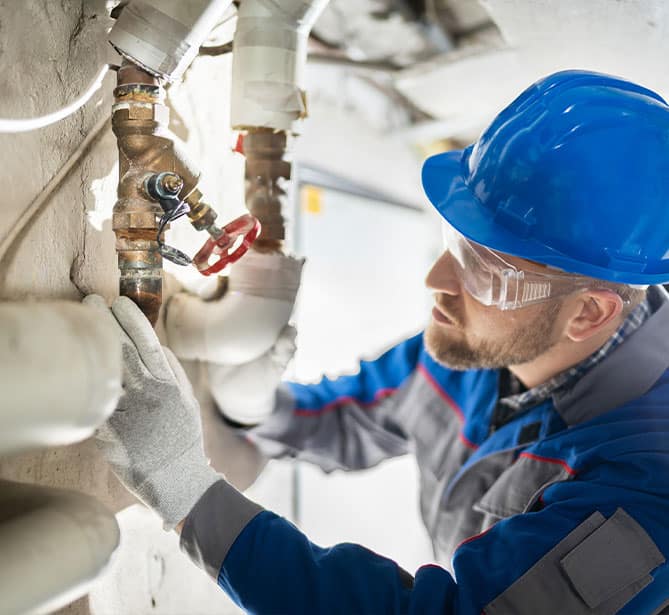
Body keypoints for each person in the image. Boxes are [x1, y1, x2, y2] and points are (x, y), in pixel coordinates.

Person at [87, 70, 669, 614]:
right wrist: (252, 397)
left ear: (588, 313)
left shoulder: (645, 487)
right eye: (455, 240)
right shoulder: (470, 352)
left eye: (484, 270)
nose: (437, 281)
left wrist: (184, 488)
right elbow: (349, 419)